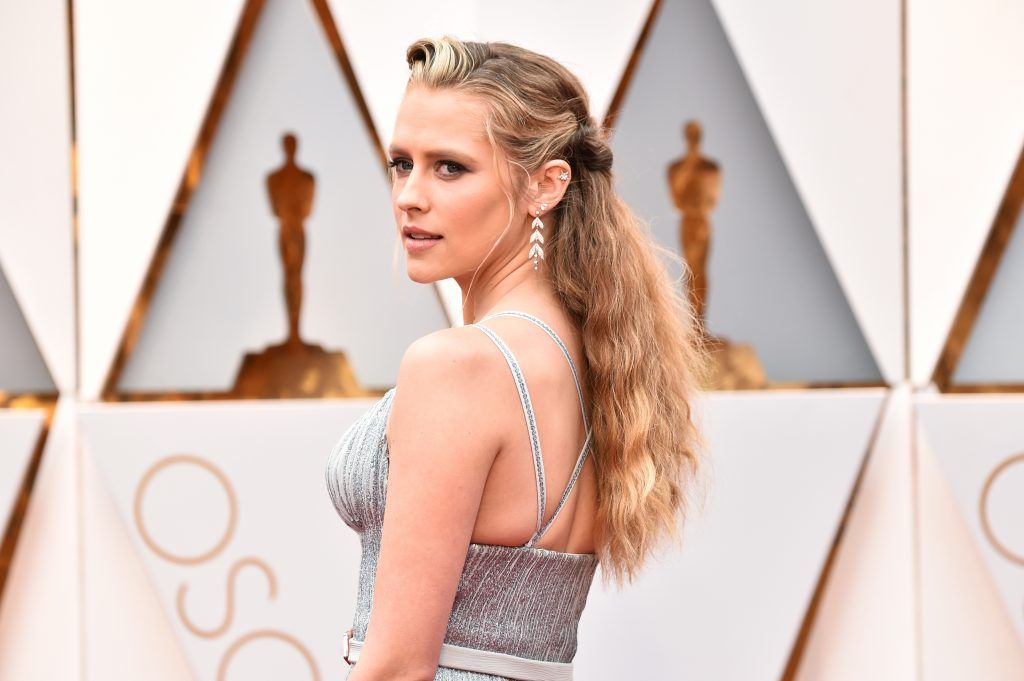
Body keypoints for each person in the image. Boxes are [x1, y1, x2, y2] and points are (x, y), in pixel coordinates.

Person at [325, 35, 710, 681]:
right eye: (401, 162)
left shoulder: (458, 365)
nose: (410, 195)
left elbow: (396, 665)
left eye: (450, 167)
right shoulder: (593, 353)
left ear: (546, 185)